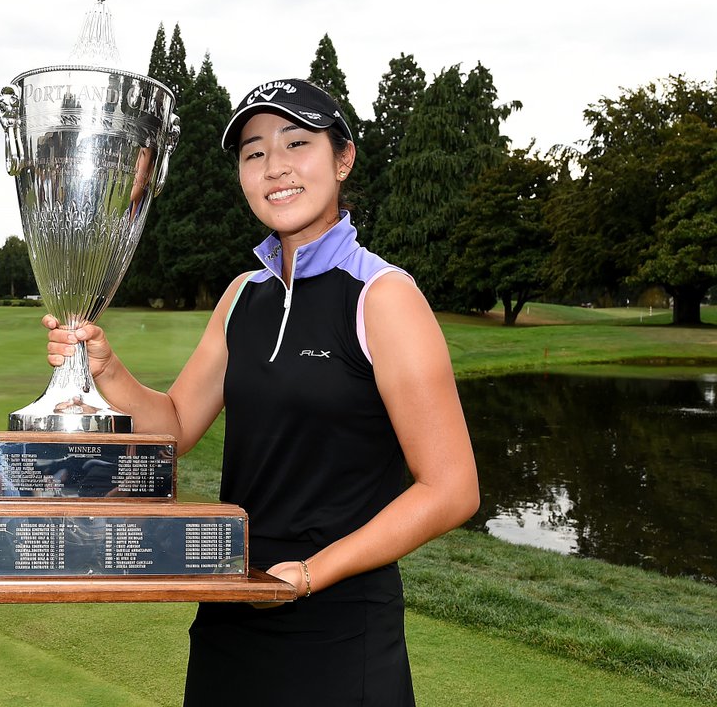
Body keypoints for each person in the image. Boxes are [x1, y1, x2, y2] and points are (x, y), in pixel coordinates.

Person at [44, 78, 479, 705]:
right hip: (230, 610)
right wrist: (107, 369)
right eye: (254, 152)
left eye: (297, 143)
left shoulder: (383, 297)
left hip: (336, 628)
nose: (274, 166)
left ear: (343, 159)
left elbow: (452, 489)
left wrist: (310, 574)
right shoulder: (242, 295)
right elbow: (174, 426)